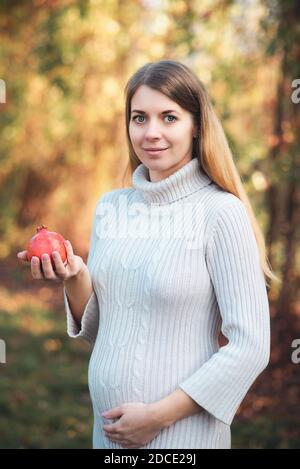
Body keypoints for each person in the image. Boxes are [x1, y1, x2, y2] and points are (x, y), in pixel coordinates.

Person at [17, 60, 276, 449]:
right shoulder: (111, 208)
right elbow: (104, 330)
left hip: (182, 438)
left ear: (196, 126)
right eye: (140, 118)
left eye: (169, 117)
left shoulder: (220, 213)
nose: (151, 132)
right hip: (110, 438)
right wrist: (74, 275)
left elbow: (250, 347)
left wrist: (157, 418)